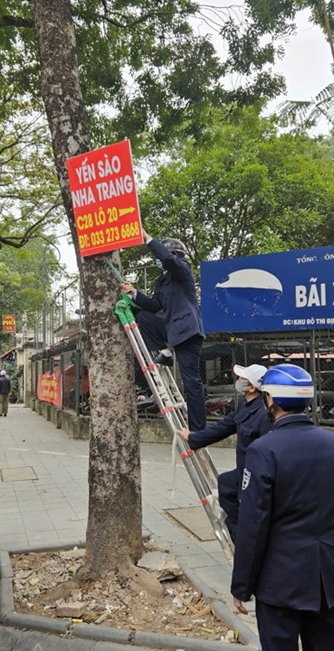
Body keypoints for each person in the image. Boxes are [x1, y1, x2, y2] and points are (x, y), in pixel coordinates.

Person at [231, 364, 334, 651]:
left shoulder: (263, 451)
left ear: (270, 399)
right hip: (330, 580)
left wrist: (241, 585)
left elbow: (253, 525)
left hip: (280, 581)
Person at [120, 227, 206, 431]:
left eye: (163, 256)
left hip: (188, 332)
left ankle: (198, 429)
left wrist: (148, 239)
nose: (158, 261)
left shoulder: (183, 270)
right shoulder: (163, 281)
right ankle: (164, 352)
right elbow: (154, 305)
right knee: (144, 317)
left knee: (191, 381)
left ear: (174, 254)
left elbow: (168, 260)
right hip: (173, 330)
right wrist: (134, 293)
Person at [177, 363, 271, 541]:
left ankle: (249, 537)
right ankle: (237, 532)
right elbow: (224, 426)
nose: (238, 381)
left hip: (257, 474)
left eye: (243, 379)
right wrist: (194, 438)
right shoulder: (245, 405)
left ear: (252, 387)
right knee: (226, 483)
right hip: (244, 470)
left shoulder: (263, 414)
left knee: (253, 509)